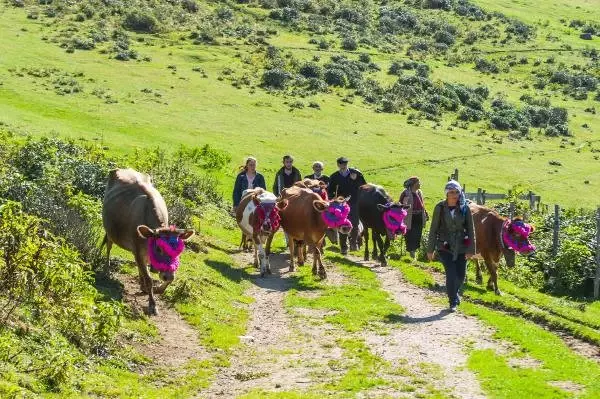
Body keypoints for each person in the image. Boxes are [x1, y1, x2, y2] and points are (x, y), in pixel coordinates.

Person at [427, 180, 475, 312]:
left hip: (461, 246)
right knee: (451, 273)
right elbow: (433, 229)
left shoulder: (465, 208)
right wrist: (430, 249)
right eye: (451, 192)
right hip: (445, 246)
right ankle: (452, 301)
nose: (454, 195)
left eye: (456, 192)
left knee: (461, 275)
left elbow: (471, 230)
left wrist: (471, 249)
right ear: (446, 194)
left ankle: (455, 292)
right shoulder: (440, 208)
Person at [328, 156, 366, 255]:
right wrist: (336, 200)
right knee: (342, 224)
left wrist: (355, 179)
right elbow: (330, 191)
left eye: (345, 164)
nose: (343, 166)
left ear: (347, 164)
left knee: (354, 223)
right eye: (341, 164)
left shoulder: (355, 173)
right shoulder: (334, 176)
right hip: (341, 205)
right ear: (338, 165)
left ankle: (353, 243)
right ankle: (343, 247)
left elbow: (363, 186)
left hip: (354, 202)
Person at [400, 176, 428, 259]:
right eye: (418, 182)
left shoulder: (419, 192)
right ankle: (411, 253)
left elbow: (422, 204)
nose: (420, 184)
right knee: (409, 235)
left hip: (418, 216)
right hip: (409, 218)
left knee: (417, 235)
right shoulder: (406, 193)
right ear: (414, 184)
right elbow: (401, 205)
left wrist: (425, 213)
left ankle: (413, 252)